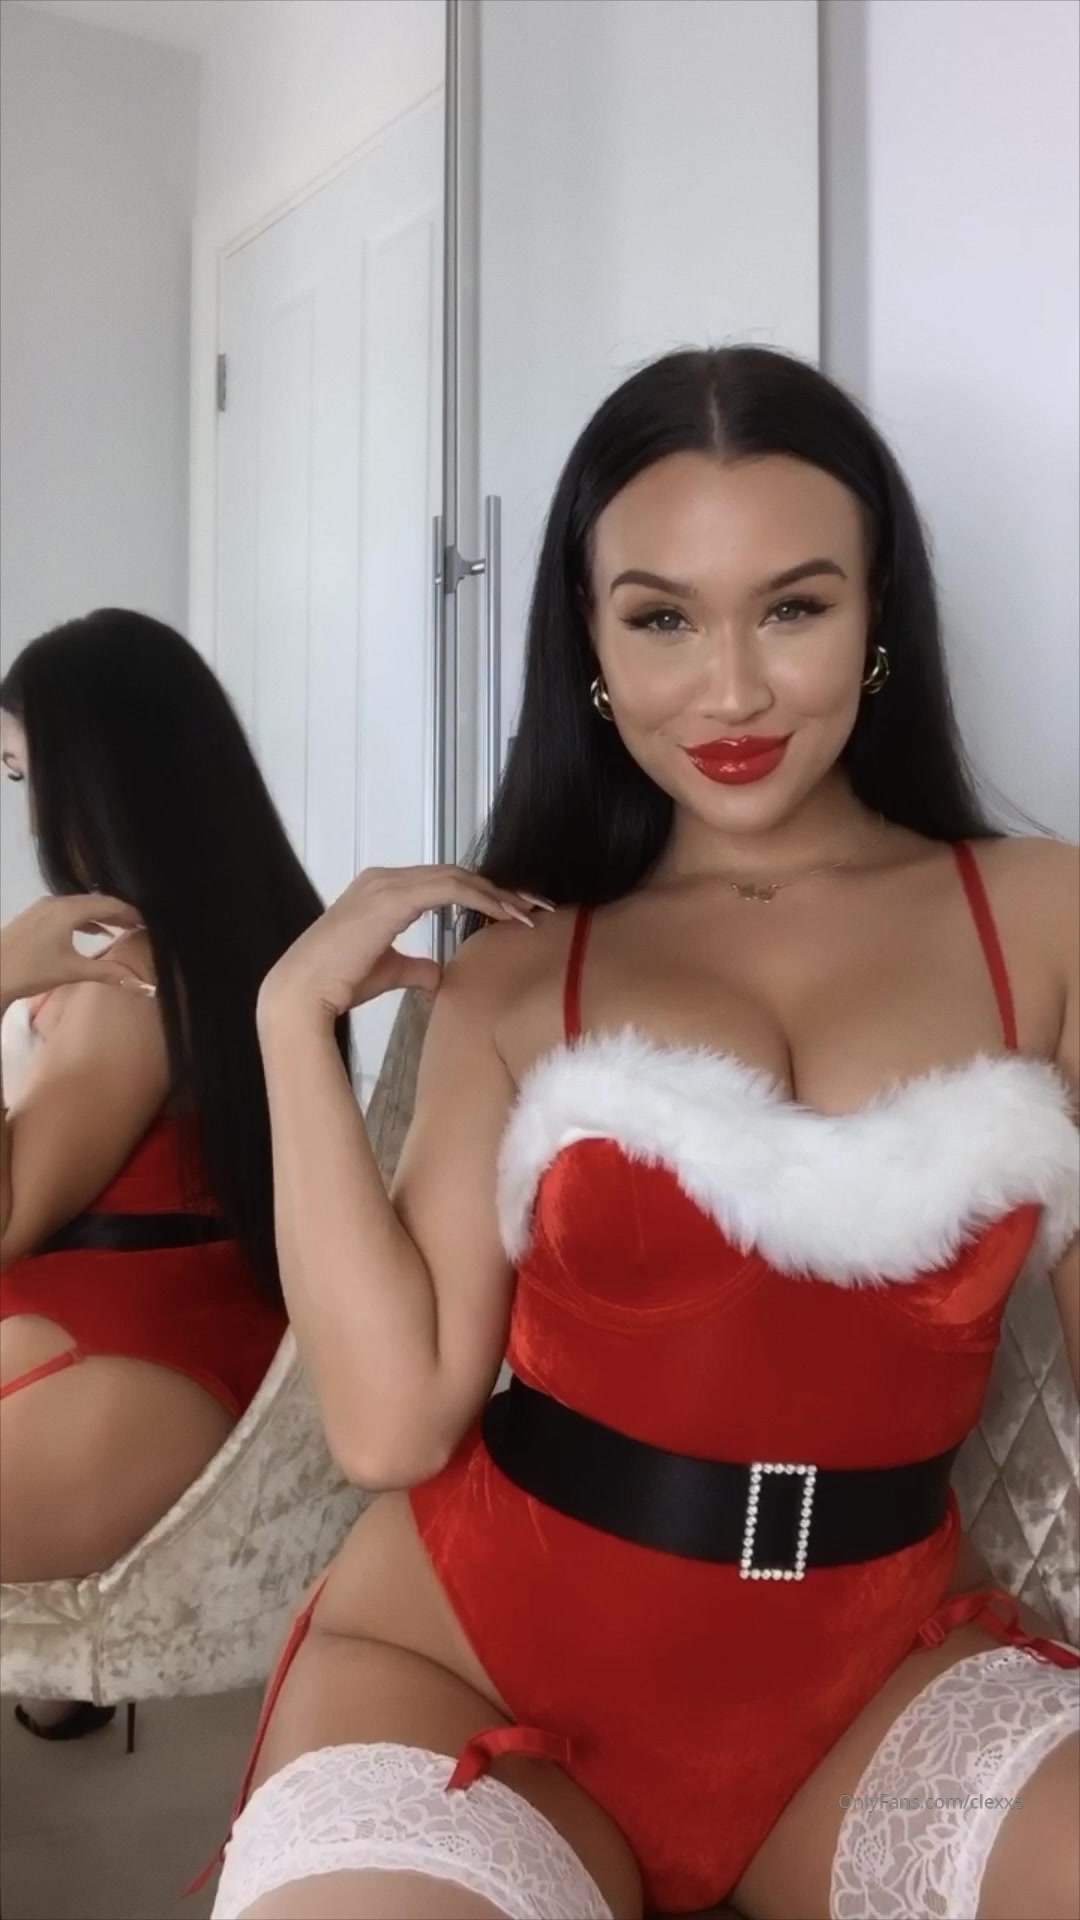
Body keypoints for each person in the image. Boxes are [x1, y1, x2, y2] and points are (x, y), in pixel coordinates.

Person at [211, 349, 1078, 1920]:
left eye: (793, 608)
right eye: (663, 618)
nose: (730, 691)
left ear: (879, 613)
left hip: (874, 1685)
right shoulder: (522, 968)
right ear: (592, 643)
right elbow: (391, 1429)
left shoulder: (1044, 915)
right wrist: (290, 1024)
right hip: (472, 1670)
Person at [0, 610, 350, 1739]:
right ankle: (57, 1684)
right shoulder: (247, 930)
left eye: (27, 774)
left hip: (121, 1361)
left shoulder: (135, 975)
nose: (28, 815)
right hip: (169, 1339)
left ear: (95, 777)